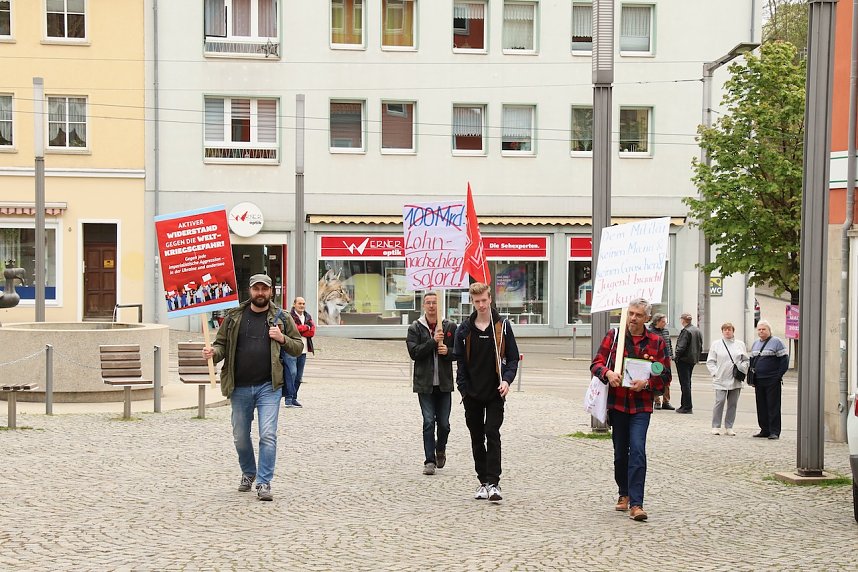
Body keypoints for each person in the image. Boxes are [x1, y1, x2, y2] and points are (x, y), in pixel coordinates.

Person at [203, 274, 303, 501]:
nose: (260, 293)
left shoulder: (282, 318)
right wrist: (213, 354)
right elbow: (220, 345)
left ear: (270, 292)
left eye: (264, 289)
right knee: (240, 435)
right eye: (256, 288)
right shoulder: (234, 316)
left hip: (270, 386)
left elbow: (298, 347)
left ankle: (264, 482)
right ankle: (249, 472)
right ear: (249, 290)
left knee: (268, 435)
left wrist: (282, 339)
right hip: (239, 386)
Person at [591, 298, 670, 522]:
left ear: (646, 318)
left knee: (637, 450)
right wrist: (607, 373)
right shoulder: (614, 336)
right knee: (619, 454)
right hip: (618, 404)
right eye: (630, 314)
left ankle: (637, 503)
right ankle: (623, 492)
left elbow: (666, 375)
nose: (633, 318)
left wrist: (646, 384)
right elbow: (596, 363)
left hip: (641, 405)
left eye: (637, 315)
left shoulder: (656, 341)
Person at [454, 282, 519, 502]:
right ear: (472, 302)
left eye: (484, 300)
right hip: (472, 393)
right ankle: (482, 481)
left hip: (495, 392)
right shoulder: (464, 329)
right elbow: (460, 361)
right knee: (476, 437)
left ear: (490, 299)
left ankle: (494, 482)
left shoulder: (503, 327)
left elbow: (512, 359)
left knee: (492, 433)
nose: (481, 305)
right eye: (477, 301)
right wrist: (463, 389)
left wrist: (507, 381)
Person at [406, 292, 457, 476]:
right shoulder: (415, 328)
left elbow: (458, 352)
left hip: (444, 384)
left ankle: (440, 449)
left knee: (444, 424)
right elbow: (414, 353)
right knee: (428, 422)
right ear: (423, 306)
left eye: (434, 302)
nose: (431, 306)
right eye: (428, 303)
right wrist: (433, 341)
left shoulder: (449, 326)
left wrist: (447, 351)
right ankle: (429, 460)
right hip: (425, 384)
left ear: (439, 305)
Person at [705, 322, 748, 436]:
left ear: (733, 331)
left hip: (735, 378)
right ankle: (715, 426)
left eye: (729, 329)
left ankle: (729, 426)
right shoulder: (716, 344)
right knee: (720, 401)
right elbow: (710, 361)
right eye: (725, 329)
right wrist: (715, 373)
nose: (727, 331)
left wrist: (741, 369)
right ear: (722, 331)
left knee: (733, 403)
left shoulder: (740, 344)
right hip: (721, 378)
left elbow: (745, 360)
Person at [749, 320, 789, 440]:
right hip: (759, 380)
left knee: (773, 406)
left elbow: (784, 360)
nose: (761, 331)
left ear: (769, 330)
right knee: (761, 406)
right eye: (759, 329)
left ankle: (774, 431)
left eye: (764, 329)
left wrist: (778, 375)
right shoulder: (755, 343)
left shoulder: (776, 342)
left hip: (772, 380)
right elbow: (752, 361)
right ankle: (764, 429)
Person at [283, 296, 315, 408]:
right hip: (291, 349)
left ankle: (294, 398)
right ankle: (288, 398)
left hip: (304, 350)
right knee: (292, 373)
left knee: (298, 377)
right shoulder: (289, 317)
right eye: (299, 303)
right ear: (294, 304)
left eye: (303, 303)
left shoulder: (308, 316)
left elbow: (312, 332)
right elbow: (293, 330)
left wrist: (303, 329)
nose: (302, 305)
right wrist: (305, 328)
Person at [674, 312, 703, 414]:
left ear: (683, 320)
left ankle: (687, 406)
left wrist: (676, 357)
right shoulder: (696, 330)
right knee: (687, 382)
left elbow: (681, 347)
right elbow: (700, 345)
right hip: (692, 359)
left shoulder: (686, 331)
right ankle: (684, 405)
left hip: (683, 360)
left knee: (684, 384)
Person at [646, 313, 675, 410]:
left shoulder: (666, 331)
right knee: (655, 378)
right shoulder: (650, 332)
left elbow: (669, 343)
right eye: (663, 322)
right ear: (657, 322)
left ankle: (666, 401)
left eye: (665, 322)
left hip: (666, 359)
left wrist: (671, 355)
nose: (665, 324)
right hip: (655, 359)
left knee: (667, 379)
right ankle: (656, 401)